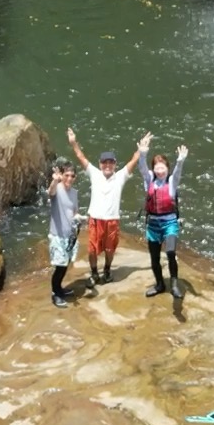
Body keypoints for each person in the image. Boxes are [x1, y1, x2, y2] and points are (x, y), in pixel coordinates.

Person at [66, 128, 143, 287]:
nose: (107, 165)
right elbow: (80, 157)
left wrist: (140, 150)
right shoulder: (94, 173)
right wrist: (73, 142)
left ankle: (107, 270)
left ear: (115, 164)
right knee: (92, 250)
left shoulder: (120, 176)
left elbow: (133, 161)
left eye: (111, 162)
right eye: (104, 162)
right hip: (95, 219)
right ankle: (94, 273)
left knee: (110, 249)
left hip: (112, 220)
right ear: (100, 164)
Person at [139, 136, 187, 297]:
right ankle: (160, 284)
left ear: (167, 168)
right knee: (154, 258)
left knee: (171, 252)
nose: (160, 171)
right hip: (153, 224)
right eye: (157, 168)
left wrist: (180, 161)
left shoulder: (172, 181)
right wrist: (142, 154)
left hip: (169, 223)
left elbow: (178, 173)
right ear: (153, 169)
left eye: (163, 168)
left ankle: (174, 284)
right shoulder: (149, 180)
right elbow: (142, 169)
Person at [46, 156, 80, 308]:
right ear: (62, 175)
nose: (69, 178)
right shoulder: (57, 189)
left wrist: (78, 219)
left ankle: (60, 288)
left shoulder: (74, 193)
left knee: (65, 264)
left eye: (72, 176)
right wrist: (54, 180)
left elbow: (75, 211)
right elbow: (50, 192)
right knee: (59, 266)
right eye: (66, 175)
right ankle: (55, 293)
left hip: (69, 235)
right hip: (57, 236)